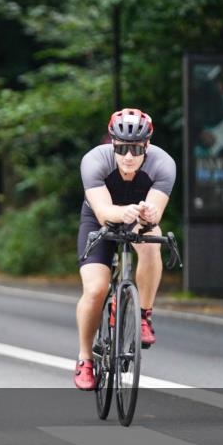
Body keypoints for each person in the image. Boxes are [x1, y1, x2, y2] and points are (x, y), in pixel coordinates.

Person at [73, 108, 176, 390]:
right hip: (99, 219)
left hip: (135, 218)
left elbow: (154, 214)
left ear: (147, 146)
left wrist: (149, 214)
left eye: (135, 148)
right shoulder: (94, 161)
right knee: (95, 289)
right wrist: (124, 212)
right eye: (121, 148)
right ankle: (85, 359)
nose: (128, 156)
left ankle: (143, 314)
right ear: (112, 144)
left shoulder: (163, 164)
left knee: (152, 241)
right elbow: (105, 213)